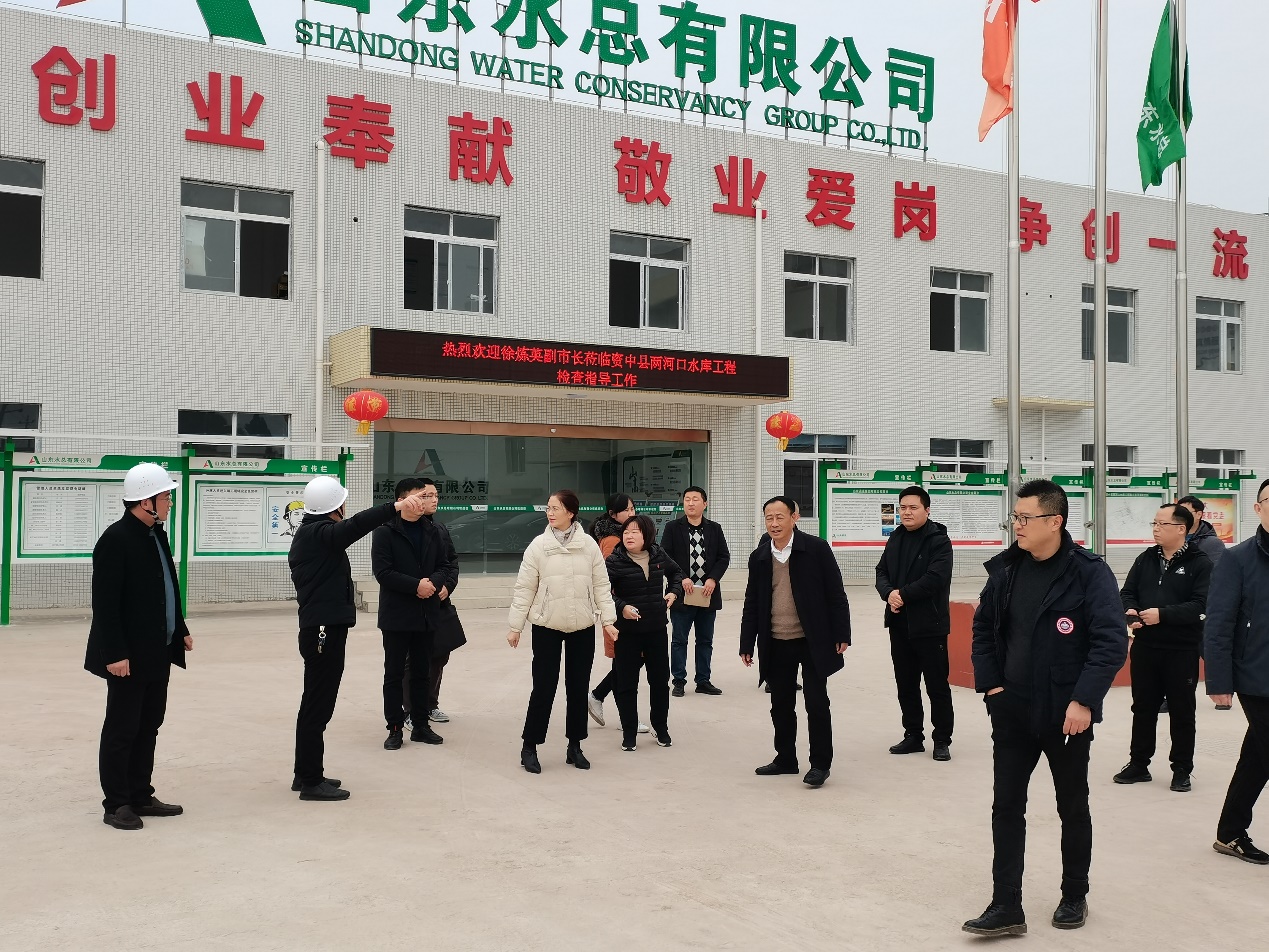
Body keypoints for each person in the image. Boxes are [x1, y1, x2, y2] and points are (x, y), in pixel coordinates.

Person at [963, 479, 1128, 936]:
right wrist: (992, 688)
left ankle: (1074, 894)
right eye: (1014, 517)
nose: (1016, 525)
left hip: (1066, 714)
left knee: (1071, 806)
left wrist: (1084, 700)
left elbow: (1110, 643)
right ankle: (1005, 904)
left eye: (1024, 518)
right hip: (1012, 709)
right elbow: (983, 630)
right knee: (1006, 807)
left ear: (1054, 521)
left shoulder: (1089, 573)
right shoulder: (1007, 570)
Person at [288, 475, 426, 801]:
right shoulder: (319, 534)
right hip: (322, 631)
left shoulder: (314, 534)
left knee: (315, 705)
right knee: (317, 707)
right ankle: (310, 781)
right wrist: (395, 506)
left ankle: (305, 773)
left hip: (325, 628)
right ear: (334, 506)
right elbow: (355, 527)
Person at [85, 463, 193, 831]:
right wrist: (115, 653)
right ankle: (117, 803)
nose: (169, 503)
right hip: (127, 656)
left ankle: (141, 794)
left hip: (157, 649)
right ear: (146, 502)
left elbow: (167, 586)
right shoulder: (115, 540)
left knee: (149, 725)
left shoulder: (155, 534)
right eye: (166, 497)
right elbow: (105, 605)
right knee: (122, 729)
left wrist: (179, 628)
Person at [740, 496, 851, 788]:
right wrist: (746, 643)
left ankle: (820, 765)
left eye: (780, 517)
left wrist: (842, 633)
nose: (774, 523)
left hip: (812, 639)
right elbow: (752, 602)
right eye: (769, 518)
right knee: (780, 704)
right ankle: (786, 759)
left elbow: (836, 593)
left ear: (794, 518)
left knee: (816, 703)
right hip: (777, 640)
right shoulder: (760, 556)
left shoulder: (816, 549)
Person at [508, 490, 619, 774]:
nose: (550, 513)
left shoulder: (589, 545)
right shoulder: (538, 546)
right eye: (548, 508)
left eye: (555, 508)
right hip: (547, 625)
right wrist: (515, 626)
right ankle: (529, 746)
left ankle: (575, 746)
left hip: (582, 625)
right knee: (543, 687)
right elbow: (525, 587)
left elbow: (601, 586)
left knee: (578, 688)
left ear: (571, 512)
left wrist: (608, 620)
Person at [1115, 504, 1211, 793]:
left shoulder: (1200, 563)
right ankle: (1138, 764)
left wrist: (1163, 615)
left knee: (1182, 711)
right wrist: (1130, 610)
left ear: (1181, 529)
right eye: (1154, 523)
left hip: (1180, 650)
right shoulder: (1146, 558)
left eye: (1161, 524)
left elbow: (1202, 605)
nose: (1155, 529)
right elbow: (1127, 592)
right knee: (1143, 708)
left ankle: (1181, 769)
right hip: (1145, 647)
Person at [1205, 478, 1269, 865]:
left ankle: (1229, 832)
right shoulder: (1237, 558)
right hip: (1256, 676)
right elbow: (1218, 622)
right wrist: (1219, 680)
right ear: (1258, 508)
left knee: (1257, 757)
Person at [371, 477, 458, 751]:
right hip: (397, 614)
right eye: (420, 496)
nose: (426, 501)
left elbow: (445, 564)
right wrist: (415, 586)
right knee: (394, 674)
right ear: (402, 500)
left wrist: (433, 583)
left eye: (428, 496)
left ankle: (421, 725)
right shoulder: (385, 532)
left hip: (426, 611)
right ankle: (395, 728)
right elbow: (383, 572)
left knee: (423, 672)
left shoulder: (433, 530)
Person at [875, 485, 955, 761]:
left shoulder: (938, 541)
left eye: (913, 507)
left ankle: (942, 739)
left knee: (936, 686)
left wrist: (902, 595)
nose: (906, 512)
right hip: (899, 623)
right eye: (903, 508)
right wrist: (888, 593)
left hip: (929, 625)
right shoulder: (896, 537)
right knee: (906, 684)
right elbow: (881, 571)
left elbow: (936, 578)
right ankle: (913, 735)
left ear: (927, 510)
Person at [606, 514, 684, 751]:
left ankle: (661, 727)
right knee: (627, 684)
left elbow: (677, 573)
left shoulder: (658, 554)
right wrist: (622, 607)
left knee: (659, 682)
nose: (628, 536)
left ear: (647, 535)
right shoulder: (614, 560)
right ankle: (629, 732)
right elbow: (602, 591)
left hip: (656, 629)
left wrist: (674, 592)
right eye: (626, 532)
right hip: (627, 632)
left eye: (635, 532)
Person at [661, 486, 731, 697]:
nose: (690, 503)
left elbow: (723, 557)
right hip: (682, 593)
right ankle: (678, 681)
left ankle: (703, 680)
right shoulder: (673, 528)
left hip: (707, 594)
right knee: (679, 640)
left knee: (705, 641)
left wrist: (713, 579)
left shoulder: (714, 529)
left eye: (695, 499)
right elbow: (665, 557)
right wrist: (682, 577)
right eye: (687, 499)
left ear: (705, 504)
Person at [587, 494, 646, 731]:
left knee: (628, 663)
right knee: (627, 663)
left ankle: (598, 696)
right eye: (627, 510)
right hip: (620, 610)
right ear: (613, 514)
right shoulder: (613, 540)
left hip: (629, 608)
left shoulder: (621, 535)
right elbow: (608, 580)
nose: (632, 514)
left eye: (633, 509)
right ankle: (625, 718)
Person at [1177, 494, 1227, 566]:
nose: (1181, 516)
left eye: (1185, 512)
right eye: (1178, 513)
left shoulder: (1212, 543)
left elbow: (1217, 569)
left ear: (1199, 514)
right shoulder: (1171, 537)